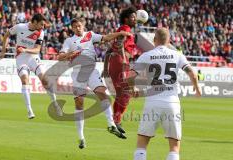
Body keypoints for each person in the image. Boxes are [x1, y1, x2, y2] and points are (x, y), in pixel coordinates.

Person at [58, 18, 131, 149]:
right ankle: (81, 137)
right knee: (79, 103)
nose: (77, 28)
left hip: (91, 70)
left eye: (79, 25)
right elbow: (60, 56)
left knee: (102, 94)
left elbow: (106, 37)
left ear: (83, 26)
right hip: (78, 73)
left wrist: (120, 34)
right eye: (74, 27)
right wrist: (70, 54)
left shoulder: (90, 35)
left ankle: (111, 125)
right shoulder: (69, 41)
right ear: (72, 29)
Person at [131, 28, 201, 160]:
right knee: (174, 147)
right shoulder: (177, 55)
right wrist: (197, 89)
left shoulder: (146, 55)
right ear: (168, 40)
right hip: (172, 103)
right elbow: (192, 73)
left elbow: (130, 76)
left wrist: (133, 89)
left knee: (142, 143)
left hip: (152, 102)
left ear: (154, 40)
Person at [0, 13, 62, 119]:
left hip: (33, 57)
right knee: (24, 80)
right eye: (41, 24)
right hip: (21, 58)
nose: (43, 27)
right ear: (35, 22)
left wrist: (25, 49)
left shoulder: (40, 32)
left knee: (45, 80)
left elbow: (37, 49)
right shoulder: (20, 27)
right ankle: (29, 110)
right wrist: (3, 50)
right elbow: (6, 35)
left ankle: (55, 104)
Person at [102, 6, 141, 135]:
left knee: (121, 94)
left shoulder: (121, 30)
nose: (135, 19)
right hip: (120, 61)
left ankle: (115, 121)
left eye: (135, 17)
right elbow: (119, 45)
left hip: (116, 62)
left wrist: (106, 68)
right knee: (127, 92)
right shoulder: (125, 29)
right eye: (133, 17)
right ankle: (116, 120)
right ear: (126, 19)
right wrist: (124, 61)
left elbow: (109, 50)